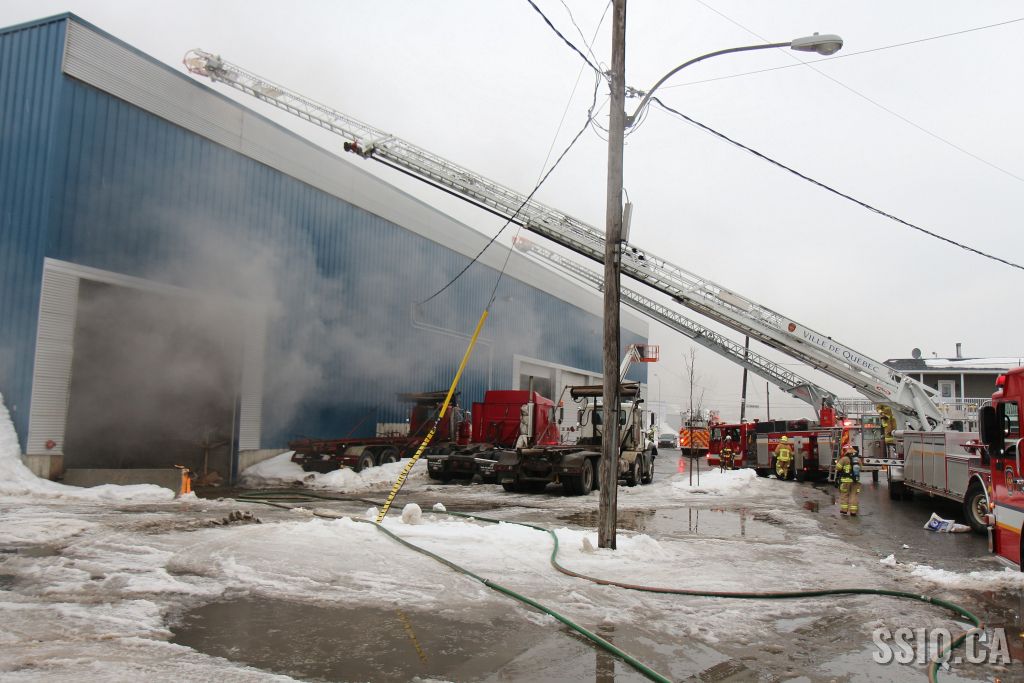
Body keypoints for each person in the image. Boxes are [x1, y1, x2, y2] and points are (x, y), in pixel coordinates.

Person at [836, 444, 862, 515]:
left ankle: (844, 510)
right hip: (855, 481)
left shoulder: (844, 459)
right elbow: (861, 468)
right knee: (854, 495)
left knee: (844, 495)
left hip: (845, 481)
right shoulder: (857, 459)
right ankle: (853, 511)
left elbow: (838, 468)